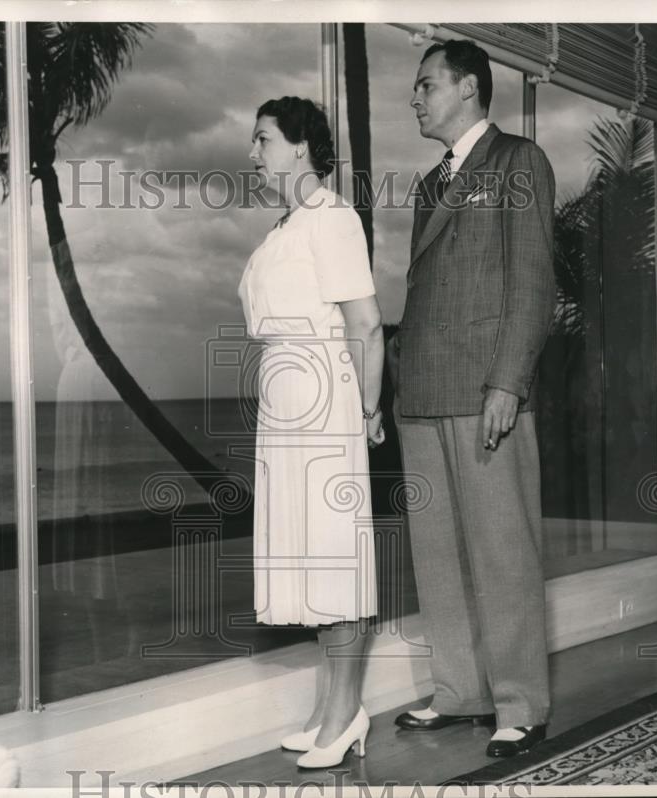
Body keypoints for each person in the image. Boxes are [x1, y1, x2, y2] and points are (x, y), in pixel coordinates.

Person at [389, 40, 557, 758]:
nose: (415, 98)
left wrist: (507, 384)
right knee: (440, 555)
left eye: (426, 85)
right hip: (423, 393)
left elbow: (534, 284)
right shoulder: (431, 183)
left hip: (484, 389)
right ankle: (460, 690)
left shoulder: (519, 162)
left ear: (467, 87)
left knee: (502, 552)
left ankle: (520, 702)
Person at [239, 96, 385, 769]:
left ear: (301, 148)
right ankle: (331, 709)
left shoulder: (332, 218)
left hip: (326, 401)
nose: (254, 153)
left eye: (263, 139)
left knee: (335, 561)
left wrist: (368, 410)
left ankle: (346, 713)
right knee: (311, 562)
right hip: (287, 405)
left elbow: (365, 323)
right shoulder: (285, 226)